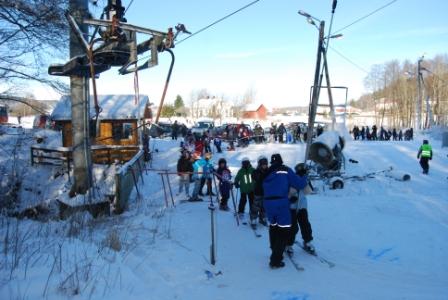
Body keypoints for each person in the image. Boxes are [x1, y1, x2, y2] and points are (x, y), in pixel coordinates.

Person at [263, 153, 307, 269]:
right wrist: (303, 175)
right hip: (281, 204)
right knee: (284, 231)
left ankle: (275, 250)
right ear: (281, 161)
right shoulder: (286, 170)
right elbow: (299, 184)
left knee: (273, 227)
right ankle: (275, 260)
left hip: (268, 204)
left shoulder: (266, 172)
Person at [286, 163, 314, 254]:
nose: (306, 172)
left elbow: (308, 192)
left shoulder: (304, 179)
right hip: (292, 207)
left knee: (305, 225)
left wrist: (307, 181)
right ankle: (288, 244)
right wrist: (290, 197)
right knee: (293, 227)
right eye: (305, 170)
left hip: (302, 206)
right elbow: (286, 192)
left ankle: (307, 242)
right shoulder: (292, 179)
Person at [234, 157, 255, 222]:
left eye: (247, 163)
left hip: (251, 189)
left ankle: (252, 212)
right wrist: (236, 183)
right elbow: (237, 178)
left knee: (252, 201)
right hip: (243, 189)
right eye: (244, 163)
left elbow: (257, 177)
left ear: (249, 163)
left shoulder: (252, 170)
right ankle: (241, 211)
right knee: (243, 200)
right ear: (242, 164)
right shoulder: (240, 171)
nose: (245, 164)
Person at [251, 156, 269, 227]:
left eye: (265, 164)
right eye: (262, 164)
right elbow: (254, 176)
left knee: (264, 206)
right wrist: (259, 174)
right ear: (259, 164)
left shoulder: (269, 171)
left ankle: (263, 218)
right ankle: (253, 219)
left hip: (266, 192)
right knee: (256, 206)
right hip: (258, 192)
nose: (264, 166)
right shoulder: (256, 171)